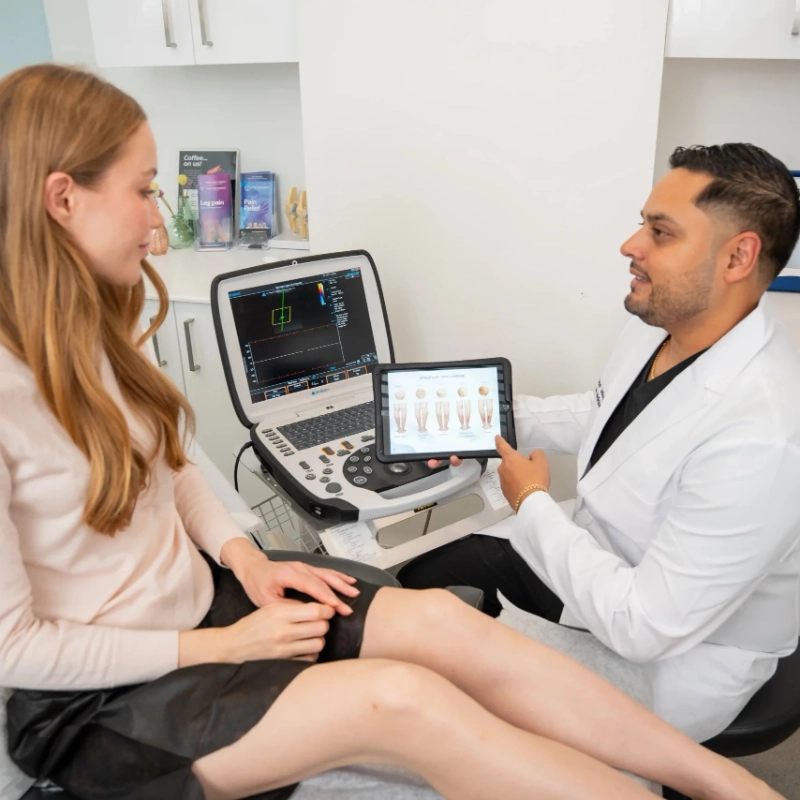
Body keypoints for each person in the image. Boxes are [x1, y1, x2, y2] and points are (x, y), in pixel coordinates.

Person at [0, 64, 781, 800]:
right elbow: (14, 650)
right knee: (406, 701)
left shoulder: (104, 332)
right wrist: (220, 646)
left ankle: (722, 783)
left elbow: (178, 469)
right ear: (63, 199)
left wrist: (245, 559)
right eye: (143, 189)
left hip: (211, 605)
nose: (160, 221)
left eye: (659, 231)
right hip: (101, 699)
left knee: (443, 620)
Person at [399, 142, 800, 744]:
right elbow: (605, 413)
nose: (630, 246)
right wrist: (491, 420)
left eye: (660, 232)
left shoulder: (766, 436)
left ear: (738, 256)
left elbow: (644, 626)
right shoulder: (663, 323)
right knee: (422, 578)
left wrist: (531, 500)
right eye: (643, 223)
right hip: (599, 560)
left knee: (448, 720)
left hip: (673, 658)